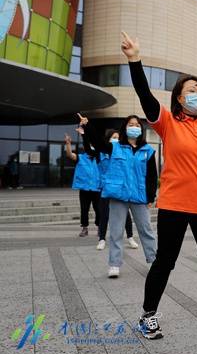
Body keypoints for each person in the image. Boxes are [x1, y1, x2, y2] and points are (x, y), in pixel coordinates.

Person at [120, 31, 197, 339]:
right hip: (174, 205)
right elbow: (145, 96)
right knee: (165, 261)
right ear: (180, 97)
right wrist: (135, 60)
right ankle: (147, 315)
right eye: (192, 89)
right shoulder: (168, 122)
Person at [81, 113, 158, 279]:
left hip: (139, 196)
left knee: (146, 230)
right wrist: (87, 127)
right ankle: (114, 265)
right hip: (118, 195)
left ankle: (154, 261)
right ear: (125, 128)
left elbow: (152, 176)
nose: (134, 127)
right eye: (131, 124)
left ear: (141, 129)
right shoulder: (115, 147)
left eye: (137, 125)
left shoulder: (148, 151)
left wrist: (151, 197)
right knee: (116, 231)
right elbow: (98, 144)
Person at [94, 129, 137, 251]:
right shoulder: (101, 153)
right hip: (105, 188)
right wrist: (85, 134)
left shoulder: (121, 152)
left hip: (120, 188)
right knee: (104, 215)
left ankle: (130, 237)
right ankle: (102, 239)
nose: (116, 140)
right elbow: (90, 148)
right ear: (108, 140)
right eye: (114, 137)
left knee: (126, 214)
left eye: (118, 137)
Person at [65, 130, 101, 238]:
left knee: (98, 209)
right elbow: (70, 155)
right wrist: (68, 143)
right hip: (84, 189)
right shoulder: (81, 158)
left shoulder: (100, 159)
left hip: (97, 188)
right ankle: (84, 228)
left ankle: (100, 228)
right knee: (84, 209)